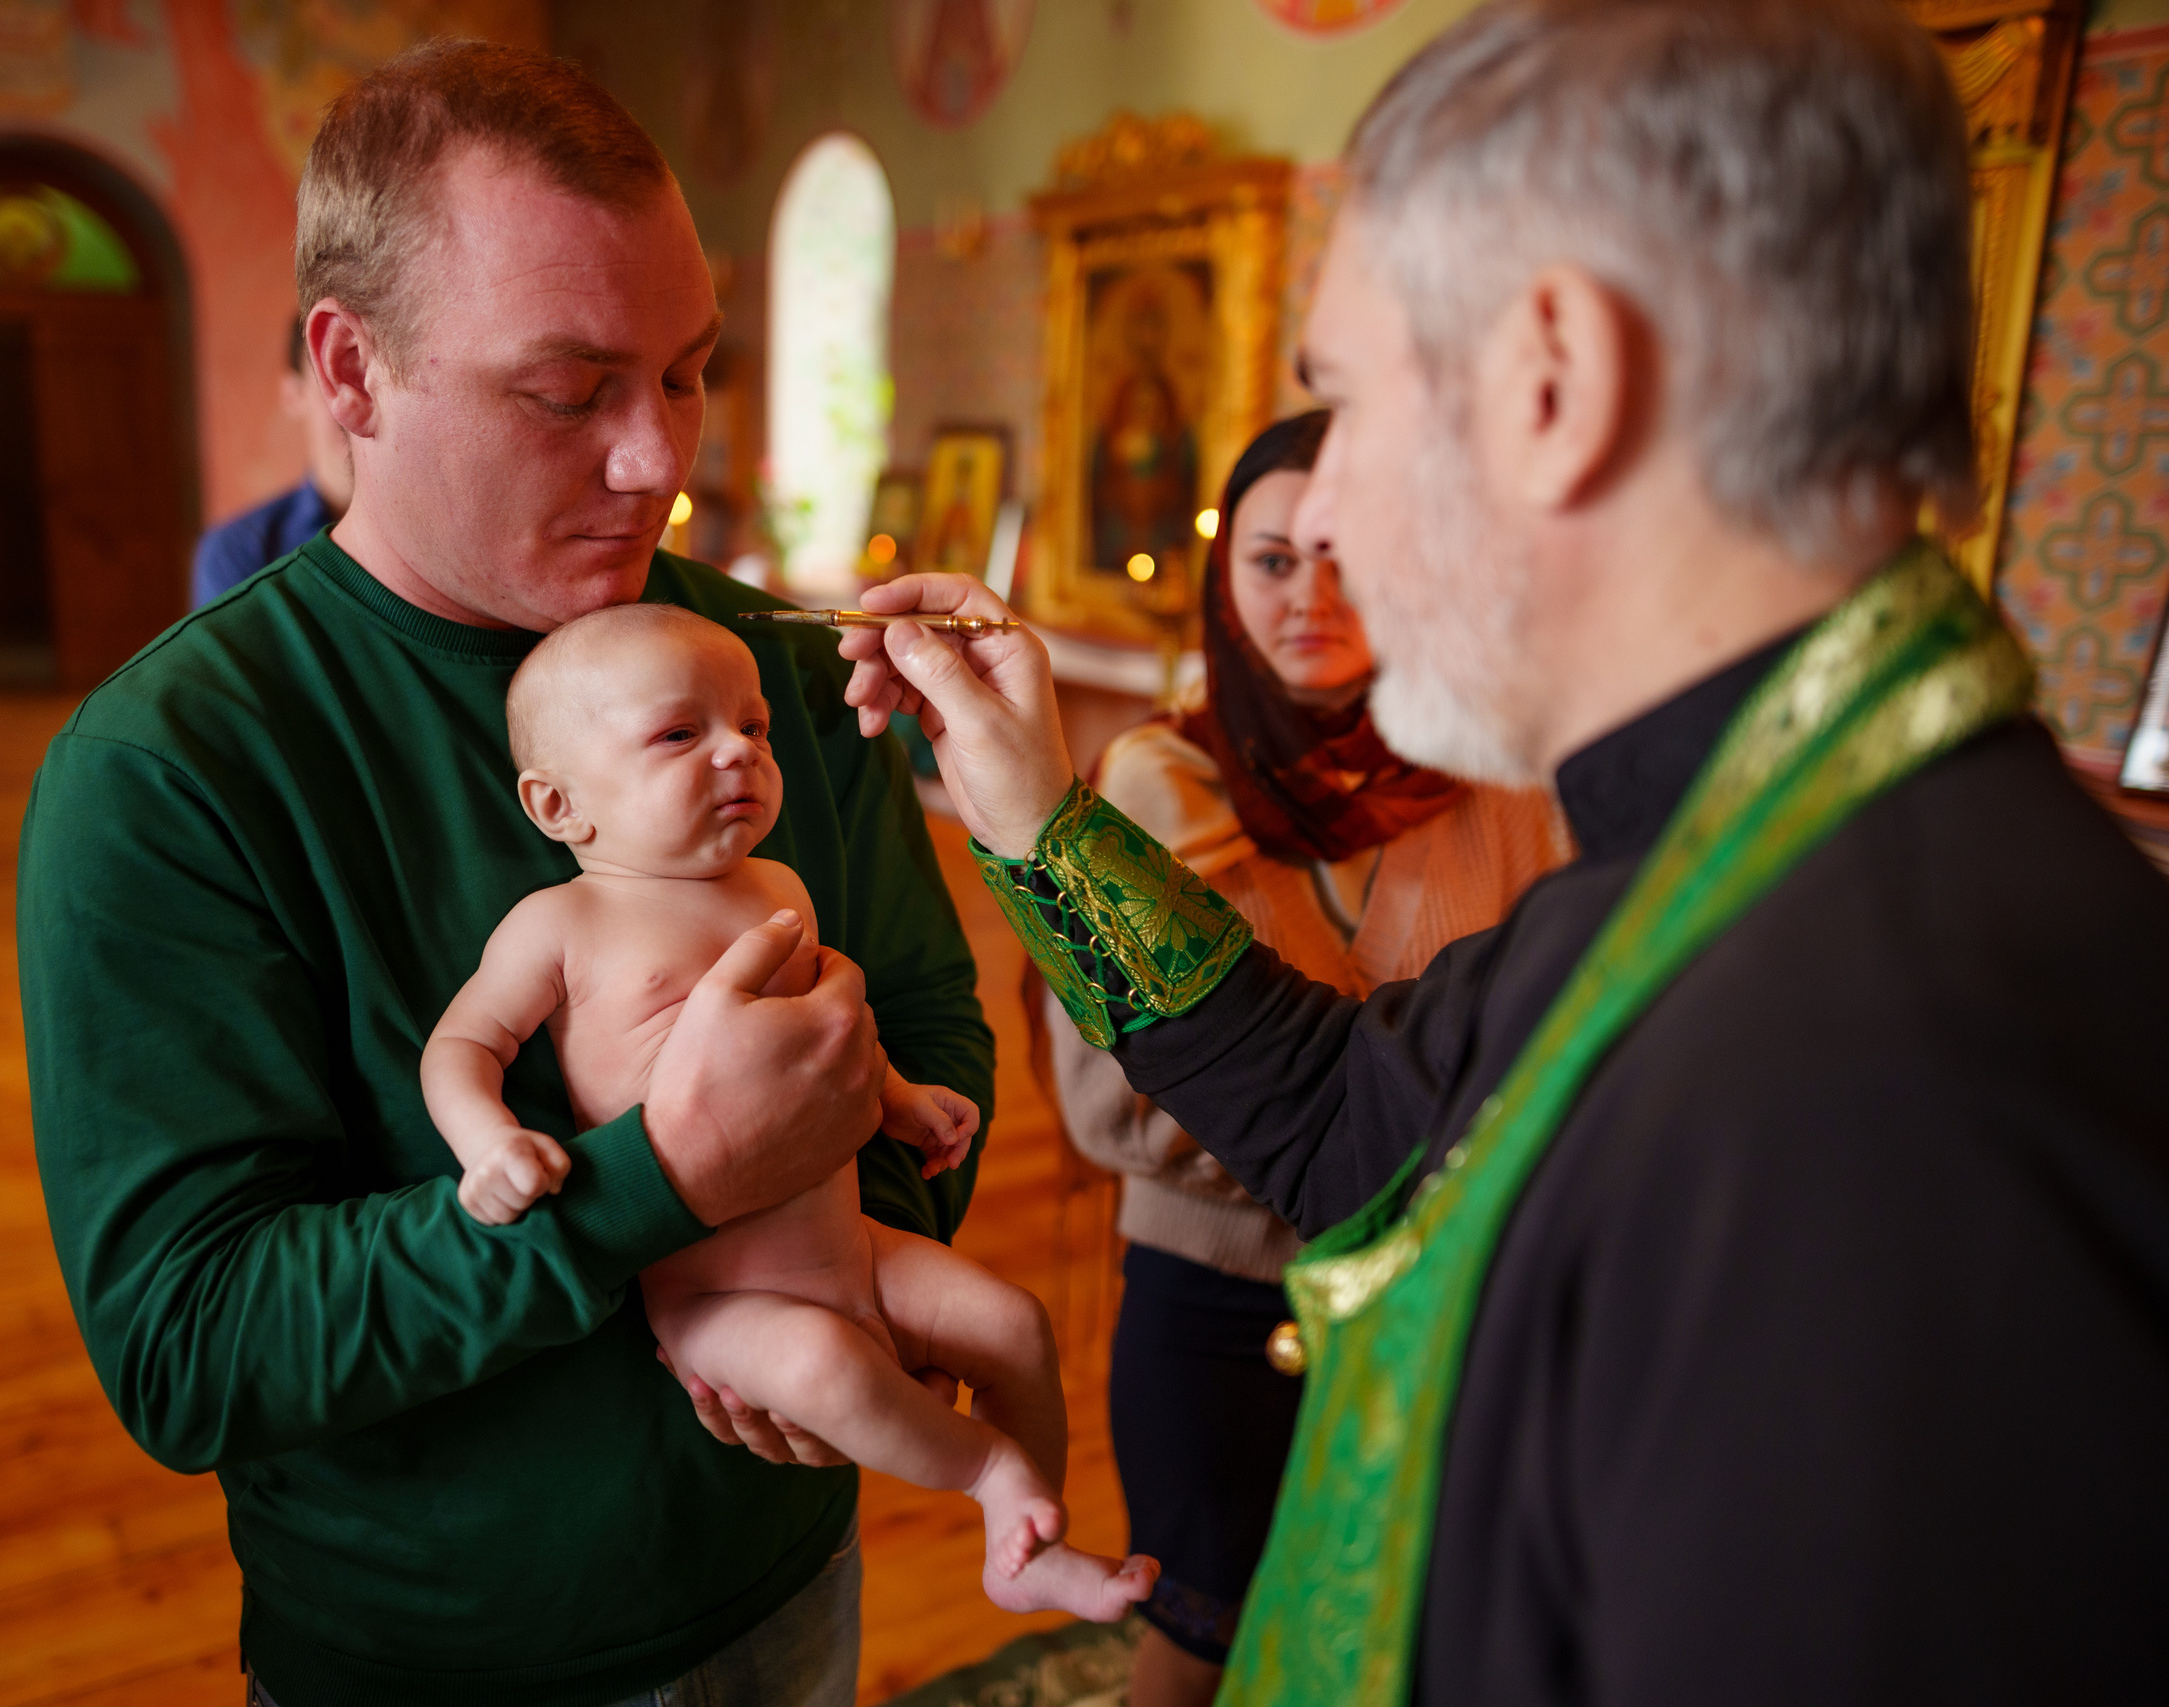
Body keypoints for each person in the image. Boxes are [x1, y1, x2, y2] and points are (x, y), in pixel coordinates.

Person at [832, 2, 2169, 1701]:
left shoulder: (1894, 1069)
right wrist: (1034, 807)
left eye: (1348, 401)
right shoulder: (1735, 849)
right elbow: (1349, 1117)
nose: (1317, 522)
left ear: (1554, 381)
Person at [18, 41, 994, 1707]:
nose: (652, 458)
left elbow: (925, 1026)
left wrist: (815, 1290)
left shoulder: (762, 658)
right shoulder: (170, 771)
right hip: (440, 1653)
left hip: (790, 1570)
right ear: (352, 370)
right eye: (568, 392)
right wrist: (653, 1186)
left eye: (688, 372)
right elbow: (192, 1342)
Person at [425, 603, 1156, 1620]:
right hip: (720, 1304)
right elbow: (461, 1048)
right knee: (820, 1365)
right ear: (558, 805)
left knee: (1012, 1324)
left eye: (755, 728)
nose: (738, 752)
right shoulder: (560, 926)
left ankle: (1031, 1547)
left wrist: (898, 1101)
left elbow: (823, 1034)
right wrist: (486, 1139)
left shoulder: (776, 886)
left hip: (853, 1244)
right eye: (682, 734)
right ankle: (989, 1477)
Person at [1044, 411, 1567, 1704]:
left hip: (1432, 1300)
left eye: (1352, 553)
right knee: (1200, 1634)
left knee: (1391, 1636)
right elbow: (1109, 1102)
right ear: (1226, 577)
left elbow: (1548, 1037)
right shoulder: (1152, 783)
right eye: (1272, 559)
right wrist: (1394, 1114)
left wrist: (1302, 1091)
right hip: (1212, 1302)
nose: (1311, 595)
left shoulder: (1497, 777)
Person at [188, 318, 357, 607]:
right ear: (294, 395)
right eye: (337, 380)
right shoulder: (239, 552)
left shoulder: (433, 534)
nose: (357, 403)